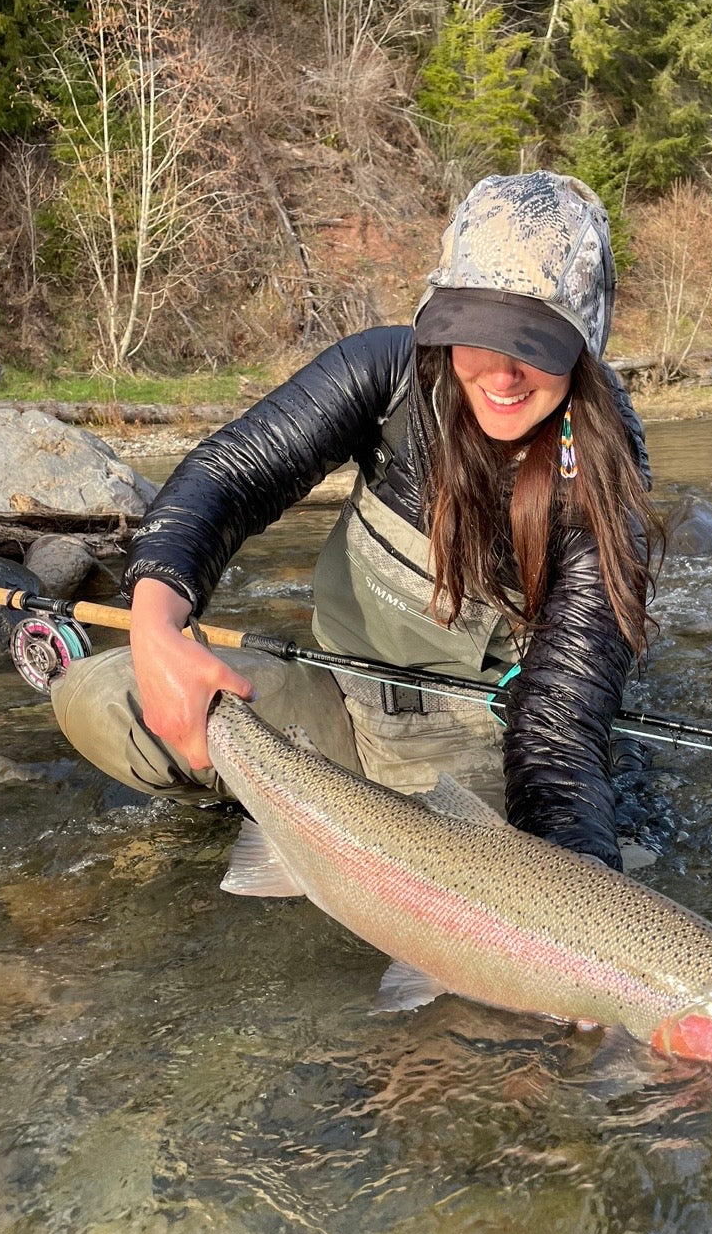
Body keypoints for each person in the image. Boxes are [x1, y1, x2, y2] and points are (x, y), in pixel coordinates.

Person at [51, 170, 661, 872]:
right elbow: (229, 477)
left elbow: (556, 735)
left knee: (555, 875)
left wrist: (567, 882)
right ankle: (284, 814)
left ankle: (340, 841)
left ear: (583, 348)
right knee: (108, 701)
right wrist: (156, 627)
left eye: (534, 346)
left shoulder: (604, 461)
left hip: (493, 747)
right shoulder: (389, 373)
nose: (502, 375)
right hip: (336, 703)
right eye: (479, 335)